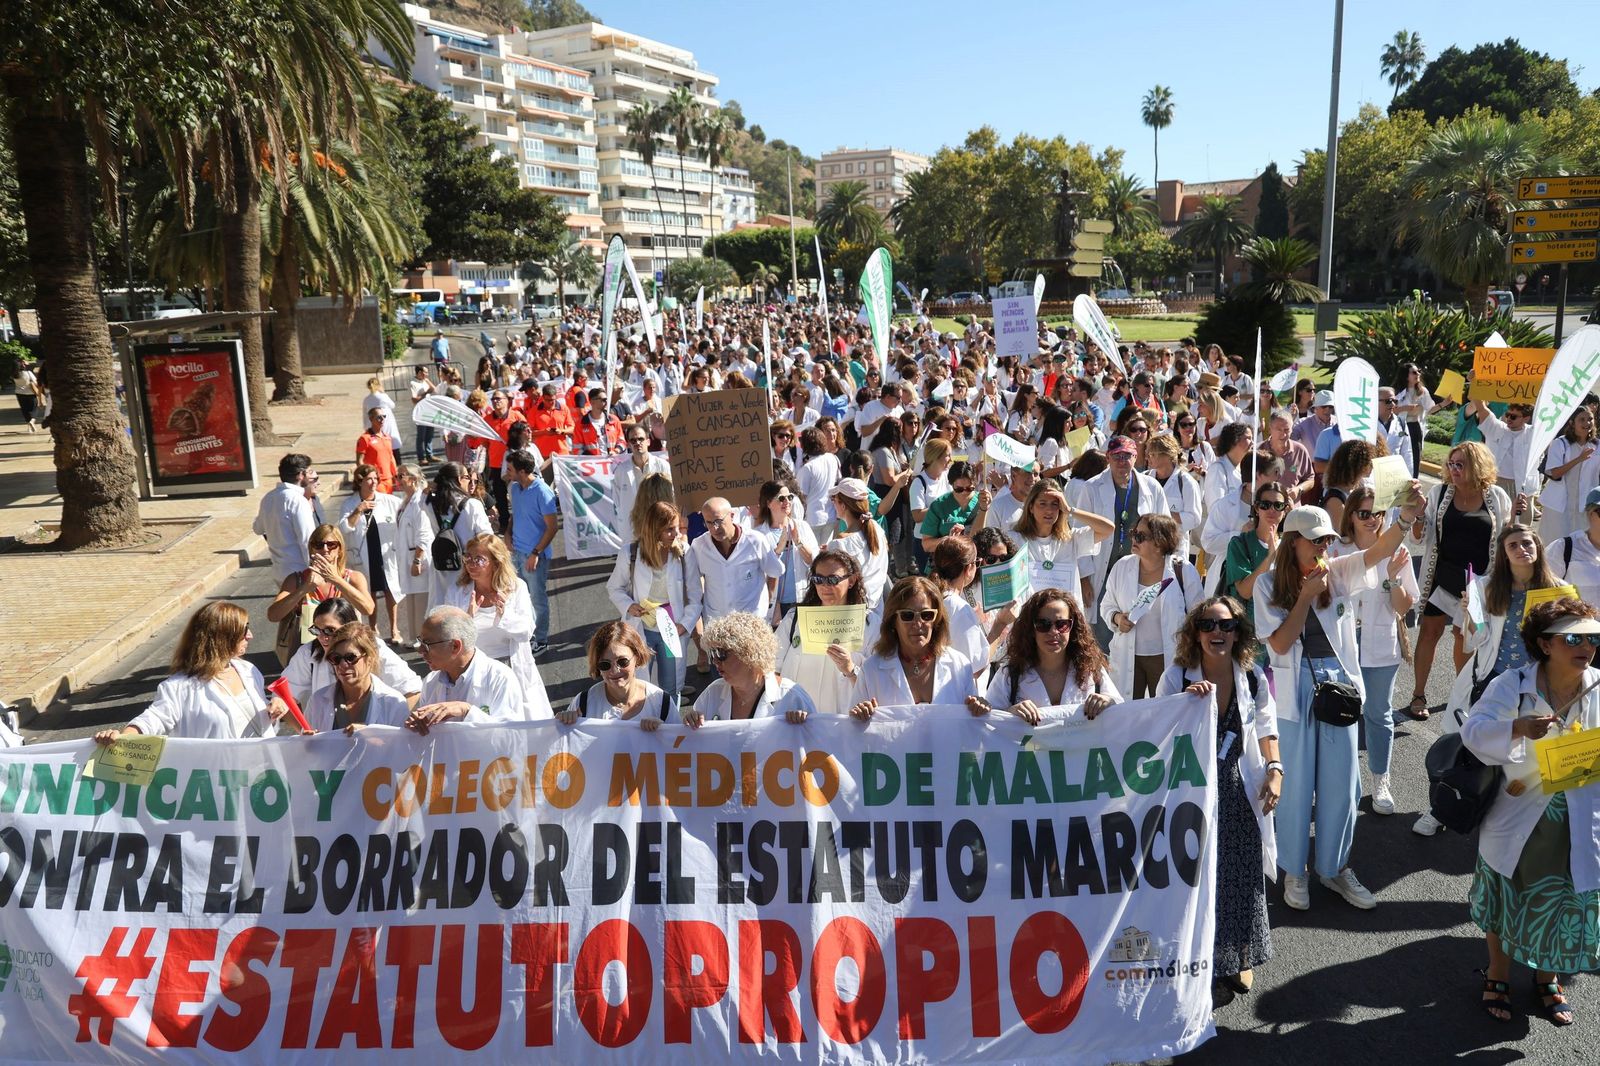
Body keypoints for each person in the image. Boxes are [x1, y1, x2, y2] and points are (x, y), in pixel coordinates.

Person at [1255, 496, 1421, 911]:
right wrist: (1304, 597)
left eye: (1326, 540)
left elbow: (1378, 552)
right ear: (1291, 542)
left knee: (1341, 787)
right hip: (1293, 698)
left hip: (1339, 692)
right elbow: (1278, 643)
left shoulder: (1337, 571)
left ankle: (1334, 868)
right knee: (1294, 789)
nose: (1322, 548)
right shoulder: (1266, 584)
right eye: (1314, 541)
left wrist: (1404, 517)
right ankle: (1295, 870)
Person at [1462, 599, 1600, 1025]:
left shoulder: (1597, 685)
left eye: (1592, 638)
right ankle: (1498, 974)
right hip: (1520, 814)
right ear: (1544, 644)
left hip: (1578, 819)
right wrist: (1518, 728)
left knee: (1563, 901)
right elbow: (1473, 733)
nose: (1586, 647)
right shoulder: (1512, 684)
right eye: (1573, 638)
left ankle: (1547, 978)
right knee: (1508, 897)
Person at [1157, 596, 1281, 1005]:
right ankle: (1202, 959)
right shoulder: (1175, 679)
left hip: (1239, 793)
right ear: (1196, 632)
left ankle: (1238, 955)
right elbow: (1153, 740)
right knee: (1199, 880)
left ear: (1237, 633)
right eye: (1208, 625)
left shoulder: (1252, 678)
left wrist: (1276, 770)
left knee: (1241, 877)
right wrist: (1182, 707)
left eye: (1225, 626)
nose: (1217, 633)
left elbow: (1266, 726)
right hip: (1193, 798)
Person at [1415, 524, 1558, 836]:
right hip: (1491, 680)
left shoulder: (1556, 590)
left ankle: (1501, 822)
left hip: (1533, 687)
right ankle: (1440, 810)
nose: (1523, 549)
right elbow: (1476, 640)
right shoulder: (1485, 586)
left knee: (1520, 758)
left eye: (1528, 542)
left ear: (1537, 547)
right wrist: (1468, 614)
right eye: (1514, 545)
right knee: (1466, 747)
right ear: (1504, 555)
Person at [1409, 442, 1514, 721]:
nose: (1453, 470)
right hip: (1441, 576)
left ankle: (1462, 695)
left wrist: (1522, 515)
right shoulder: (1440, 492)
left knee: (1464, 637)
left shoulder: (1497, 497)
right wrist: (1418, 514)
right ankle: (1418, 694)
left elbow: (1507, 536)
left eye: (1460, 465)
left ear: (1477, 466)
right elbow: (1418, 537)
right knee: (1429, 633)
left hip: (1477, 584)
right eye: (1451, 464)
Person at [1329, 486, 1417, 816]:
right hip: (1342, 649)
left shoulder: (1398, 550)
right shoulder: (1336, 549)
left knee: (1379, 716)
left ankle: (1381, 779)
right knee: (1341, 716)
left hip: (1382, 648)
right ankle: (1344, 782)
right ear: (1350, 515)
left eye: (1377, 513)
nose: (1371, 520)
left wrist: (1394, 578)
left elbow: (1403, 607)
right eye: (1363, 513)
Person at [93, 602, 289, 742]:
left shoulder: (249, 670)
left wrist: (274, 710)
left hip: (262, 777)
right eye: (244, 630)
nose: (250, 635)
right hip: (213, 786)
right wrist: (122, 738)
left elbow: (261, 723)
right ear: (222, 637)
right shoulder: (179, 687)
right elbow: (154, 719)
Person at [435, 534, 552, 720]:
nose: (471, 563)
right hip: (476, 673)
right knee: (482, 726)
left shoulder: (516, 588)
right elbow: (446, 638)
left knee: (519, 727)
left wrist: (504, 615)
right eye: (468, 557)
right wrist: (467, 620)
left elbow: (527, 631)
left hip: (513, 669)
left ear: (496, 562)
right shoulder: (457, 592)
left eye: (479, 559)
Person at [1103, 513, 1204, 698]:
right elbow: (1107, 605)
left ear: (1160, 542)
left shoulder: (1184, 571)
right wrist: (1117, 618)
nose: (1134, 539)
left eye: (1141, 536)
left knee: (1164, 715)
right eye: (1134, 533)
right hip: (1128, 656)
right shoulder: (1122, 567)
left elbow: (1198, 617)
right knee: (1129, 715)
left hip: (1168, 657)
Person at [979, 589, 1117, 722]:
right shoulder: (1010, 674)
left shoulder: (1092, 669)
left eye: (1062, 624)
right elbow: (988, 722)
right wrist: (1010, 714)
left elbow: (1122, 713)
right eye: (1043, 624)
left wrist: (1108, 702)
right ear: (1031, 629)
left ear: (1072, 627)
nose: (1053, 632)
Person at [849, 576, 979, 716]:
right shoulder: (871, 670)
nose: (918, 623)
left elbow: (972, 727)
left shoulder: (960, 665)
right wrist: (860, 715)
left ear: (937, 620)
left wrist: (979, 709)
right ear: (893, 621)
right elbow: (853, 730)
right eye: (907, 615)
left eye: (927, 615)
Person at [1080, 435, 1171, 633]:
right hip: (1102, 569)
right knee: (1102, 629)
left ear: (1136, 457)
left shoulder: (1151, 487)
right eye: (1117, 456)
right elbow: (1080, 535)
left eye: (1127, 456)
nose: (1122, 462)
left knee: (1139, 628)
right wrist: (1084, 578)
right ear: (1108, 458)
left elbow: (1165, 530)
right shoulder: (1091, 488)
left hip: (1142, 570)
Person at [774, 550, 872, 715]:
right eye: (818, 579)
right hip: (795, 722)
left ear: (852, 580)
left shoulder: (870, 624)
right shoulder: (794, 619)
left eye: (833, 579)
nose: (825, 586)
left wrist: (850, 669)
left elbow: (879, 684)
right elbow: (772, 668)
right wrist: (784, 705)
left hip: (840, 725)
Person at [607, 501, 689, 697]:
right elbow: (614, 587)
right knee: (639, 686)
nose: (676, 534)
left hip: (672, 630)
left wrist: (685, 624)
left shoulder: (685, 552)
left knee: (671, 688)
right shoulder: (630, 553)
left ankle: (670, 724)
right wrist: (629, 606)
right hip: (641, 629)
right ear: (655, 529)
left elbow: (695, 596)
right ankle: (644, 724)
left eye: (677, 528)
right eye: (670, 529)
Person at [279, 597, 421, 708]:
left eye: (330, 630)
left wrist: (389, 733)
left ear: (350, 628)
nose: (322, 637)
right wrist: (306, 734)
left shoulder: (374, 648)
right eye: (316, 630)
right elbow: (283, 695)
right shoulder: (308, 653)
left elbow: (411, 690)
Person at [266, 525, 374, 665]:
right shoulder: (296, 580)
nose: (325, 549)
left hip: (347, 655)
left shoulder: (354, 578)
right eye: (318, 544)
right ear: (312, 549)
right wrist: (304, 589)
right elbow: (273, 615)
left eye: (331, 544)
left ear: (339, 549)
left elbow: (368, 608)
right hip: (309, 654)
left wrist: (337, 580)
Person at [684, 612, 816, 725]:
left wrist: (805, 723)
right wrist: (691, 721)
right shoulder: (713, 692)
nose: (714, 661)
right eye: (712, 654)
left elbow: (815, 743)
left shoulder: (792, 697)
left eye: (721, 654)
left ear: (749, 654)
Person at [408, 606, 521, 729]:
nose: (420, 650)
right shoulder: (430, 682)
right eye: (420, 641)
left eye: (427, 644)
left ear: (455, 646)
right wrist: (417, 728)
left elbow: (511, 738)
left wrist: (467, 711)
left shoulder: (500, 678)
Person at [1011, 478, 1114, 606]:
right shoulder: (1014, 539)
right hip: (1030, 619)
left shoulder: (1070, 539)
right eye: (1042, 503)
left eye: (1054, 504)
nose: (1049, 510)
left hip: (1065, 621)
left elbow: (1108, 529)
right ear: (1031, 507)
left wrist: (1070, 510)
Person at [304, 622, 413, 734]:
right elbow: (306, 748)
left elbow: (400, 748)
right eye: (336, 658)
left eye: (350, 657)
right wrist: (306, 743)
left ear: (370, 659)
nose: (343, 665)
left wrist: (372, 735)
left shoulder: (393, 703)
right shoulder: (317, 700)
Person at [559, 621, 671, 728]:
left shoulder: (661, 702)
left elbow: (680, 744)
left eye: (622, 661)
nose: (615, 670)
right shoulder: (583, 703)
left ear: (637, 657)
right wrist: (562, 723)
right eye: (605, 665)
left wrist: (663, 731)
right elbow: (562, 744)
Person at [340, 463, 403, 638]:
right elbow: (344, 529)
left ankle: (394, 629)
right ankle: (373, 628)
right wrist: (358, 510)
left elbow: (406, 510)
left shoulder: (388, 500)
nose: (373, 482)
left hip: (385, 553)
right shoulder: (350, 504)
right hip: (364, 554)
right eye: (369, 479)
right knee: (369, 591)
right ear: (360, 481)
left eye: (376, 478)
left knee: (391, 590)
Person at [506, 451, 558, 653]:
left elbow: (552, 527)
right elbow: (515, 515)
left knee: (537, 599)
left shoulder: (543, 492)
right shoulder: (515, 488)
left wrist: (536, 552)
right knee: (519, 598)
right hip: (516, 553)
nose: (506, 472)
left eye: (510, 469)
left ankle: (541, 639)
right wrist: (508, 534)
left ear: (521, 471)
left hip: (535, 557)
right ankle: (527, 634)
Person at [423, 462, 493, 611]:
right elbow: (487, 538)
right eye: (467, 477)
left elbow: (422, 495)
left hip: (440, 564)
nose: (470, 482)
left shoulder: (429, 503)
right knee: (463, 609)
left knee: (441, 609)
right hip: (466, 566)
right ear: (459, 479)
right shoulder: (472, 505)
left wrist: (431, 487)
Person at [1220, 484, 1291, 625]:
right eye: (1265, 505)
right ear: (1257, 508)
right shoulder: (1239, 544)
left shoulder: (1290, 545)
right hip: (1248, 631)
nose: (1271, 510)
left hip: (1280, 628)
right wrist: (1270, 557)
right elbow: (1245, 591)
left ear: (1285, 510)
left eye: (1278, 505)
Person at [753, 479, 819, 621]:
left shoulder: (802, 527)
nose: (787, 502)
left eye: (789, 497)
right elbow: (759, 571)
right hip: (774, 604)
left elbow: (815, 562)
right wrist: (778, 549)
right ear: (768, 503)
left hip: (802, 598)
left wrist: (798, 541)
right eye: (781, 498)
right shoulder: (758, 535)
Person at [253, 453, 321, 584]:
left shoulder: (268, 498)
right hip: (300, 573)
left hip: (279, 571)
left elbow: (257, 528)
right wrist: (316, 572)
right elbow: (307, 539)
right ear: (301, 475)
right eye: (307, 472)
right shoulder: (298, 501)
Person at [931, 536, 992, 680]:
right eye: (977, 562)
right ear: (969, 568)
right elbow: (974, 669)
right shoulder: (958, 606)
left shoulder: (933, 593)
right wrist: (999, 627)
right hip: (955, 693)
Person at [1538, 407, 1600, 544]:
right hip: (1559, 506)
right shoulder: (1560, 443)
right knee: (1554, 543)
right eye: (1582, 419)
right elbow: (1554, 473)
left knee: (1583, 545)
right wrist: (1579, 459)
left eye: (1590, 419)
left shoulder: (1597, 445)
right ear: (1572, 423)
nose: (1587, 423)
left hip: (1585, 505)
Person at [828, 478, 890, 609]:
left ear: (843, 505)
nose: (833, 503)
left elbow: (834, 583)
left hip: (853, 613)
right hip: (878, 608)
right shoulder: (876, 528)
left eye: (834, 500)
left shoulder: (839, 543)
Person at [917, 461, 991, 559]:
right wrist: (949, 540)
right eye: (959, 489)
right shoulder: (939, 505)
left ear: (975, 482)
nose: (964, 493)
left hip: (977, 561)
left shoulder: (984, 501)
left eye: (969, 488)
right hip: (948, 562)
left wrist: (984, 509)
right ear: (951, 484)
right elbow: (926, 545)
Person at [1146, 433, 1203, 559]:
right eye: (1149, 454)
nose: (1148, 458)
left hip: (1175, 550)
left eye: (1153, 454)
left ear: (1168, 455)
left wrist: (1163, 516)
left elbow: (1195, 518)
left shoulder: (1186, 482)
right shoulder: (1145, 479)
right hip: (1147, 548)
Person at [394, 465, 434, 644]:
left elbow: (424, 534)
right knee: (411, 599)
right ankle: (414, 638)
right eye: (397, 475)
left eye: (401, 475)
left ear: (413, 478)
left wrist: (418, 559)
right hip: (408, 558)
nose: (398, 479)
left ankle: (424, 640)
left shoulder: (419, 502)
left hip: (419, 559)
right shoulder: (405, 502)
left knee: (421, 602)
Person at [614, 424, 670, 545]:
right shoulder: (621, 470)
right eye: (633, 440)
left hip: (658, 520)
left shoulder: (662, 466)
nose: (637, 443)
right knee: (635, 559)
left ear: (648, 441)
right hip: (633, 524)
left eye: (641, 439)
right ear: (628, 444)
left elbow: (671, 495)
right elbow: (617, 499)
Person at [1321, 439, 1375, 530]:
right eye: (1369, 462)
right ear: (1357, 466)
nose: (1372, 466)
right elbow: (1342, 533)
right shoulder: (1335, 498)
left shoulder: (1359, 487)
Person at [1394, 364, 1435, 477]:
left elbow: (1430, 409)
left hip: (1415, 427)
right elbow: (1391, 410)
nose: (1418, 374)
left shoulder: (1422, 391)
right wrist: (1405, 408)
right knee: (1399, 458)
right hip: (1399, 428)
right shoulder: (1397, 391)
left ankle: (1413, 486)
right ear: (1406, 376)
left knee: (1415, 459)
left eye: (1418, 371)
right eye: (1414, 372)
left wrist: (1444, 403)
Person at [354, 406, 398, 494]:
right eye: (378, 417)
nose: (382, 419)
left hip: (388, 479)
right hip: (376, 480)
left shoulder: (387, 437)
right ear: (371, 419)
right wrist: (367, 478)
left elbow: (390, 457)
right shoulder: (365, 438)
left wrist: (395, 474)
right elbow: (360, 461)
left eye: (384, 416)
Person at [408, 365, 437, 463]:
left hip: (429, 411)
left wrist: (427, 381)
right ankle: (421, 458)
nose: (427, 374)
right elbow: (414, 400)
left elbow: (434, 389)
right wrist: (425, 393)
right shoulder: (413, 383)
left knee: (429, 435)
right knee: (421, 436)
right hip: (420, 413)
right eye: (425, 372)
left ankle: (430, 455)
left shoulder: (425, 381)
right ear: (419, 372)